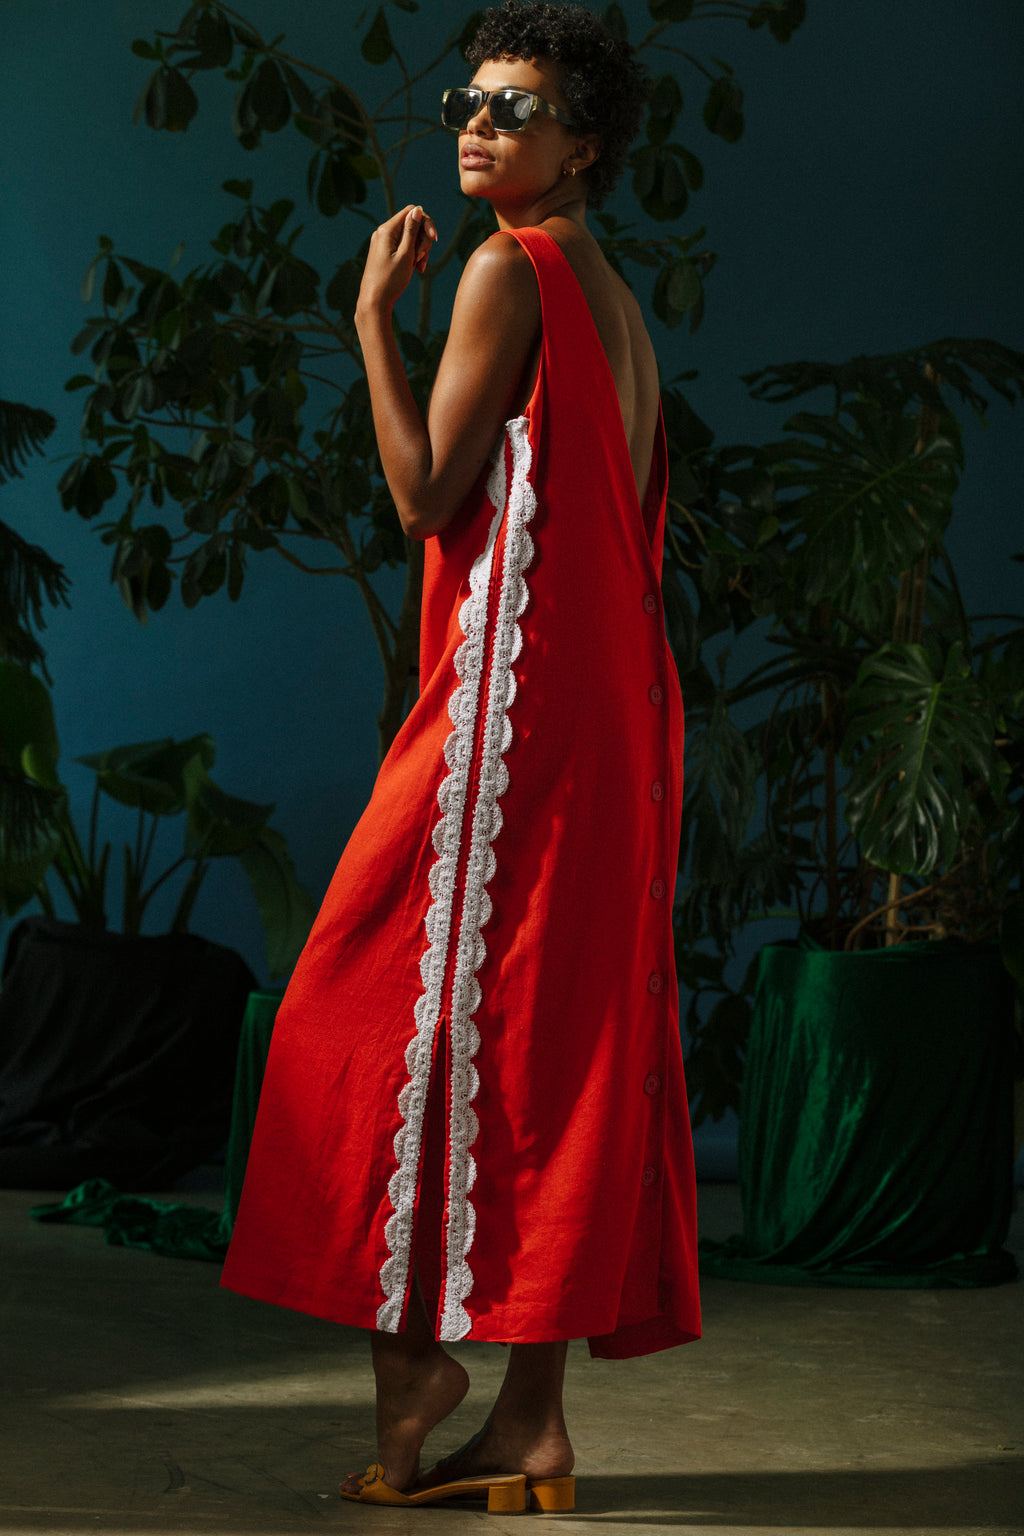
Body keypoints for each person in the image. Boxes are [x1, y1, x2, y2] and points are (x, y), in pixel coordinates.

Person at [220, 0, 701, 1514]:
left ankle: (416, 1361)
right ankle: (530, 1422)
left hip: (519, 706)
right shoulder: (606, 288)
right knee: (557, 1028)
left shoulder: (508, 267)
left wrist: (369, 317)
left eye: (522, 104)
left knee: (366, 997)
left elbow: (431, 500)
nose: (483, 123)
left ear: (586, 142)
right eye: (470, 103)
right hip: (609, 706)